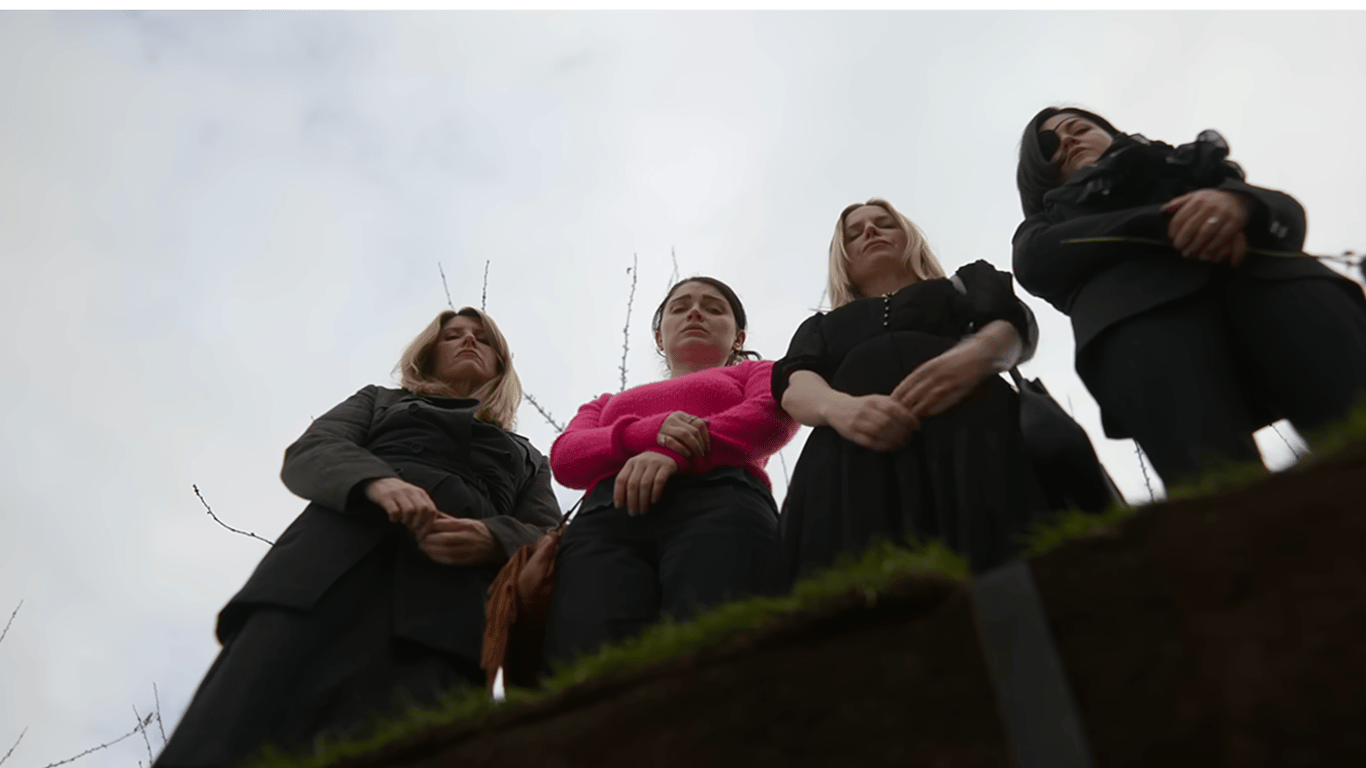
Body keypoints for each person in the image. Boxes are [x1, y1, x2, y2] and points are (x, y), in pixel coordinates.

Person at [156, 308, 559, 768]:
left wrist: (492, 537)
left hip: (449, 606)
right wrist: (376, 481)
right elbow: (313, 450)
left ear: (500, 363)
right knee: (235, 728)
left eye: (482, 339)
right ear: (428, 355)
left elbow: (548, 535)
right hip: (322, 574)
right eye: (453, 336)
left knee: (409, 742)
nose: (469, 341)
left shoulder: (529, 457)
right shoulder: (378, 400)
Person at [1013, 107, 1366, 485]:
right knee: (1217, 486)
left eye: (1079, 128)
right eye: (1049, 145)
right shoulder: (1044, 225)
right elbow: (1035, 261)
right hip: (1144, 330)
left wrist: (1238, 204)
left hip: (1275, 290)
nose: (1067, 139)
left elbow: (1285, 211)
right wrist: (1167, 222)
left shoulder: (1193, 167)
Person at [772, 198, 1048, 584]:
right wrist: (840, 409)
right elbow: (795, 383)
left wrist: (976, 356)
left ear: (909, 238)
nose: (870, 231)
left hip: (979, 441)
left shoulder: (966, 285)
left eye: (884, 223)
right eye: (854, 233)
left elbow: (1011, 325)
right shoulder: (818, 327)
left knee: (1012, 571)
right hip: (848, 463)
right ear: (843, 258)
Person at [542, 277, 799, 670]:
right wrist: (645, 433)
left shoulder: (758, 372)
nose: (695, 312)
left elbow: (770, 418)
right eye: (680, 308)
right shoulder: (605, 403)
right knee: (589, 664)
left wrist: (674, 454)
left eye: (713, 308)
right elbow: (566, 457)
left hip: (725, 503)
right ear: (660, 337)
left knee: (722, 647)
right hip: (604, 519)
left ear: (738, 338)